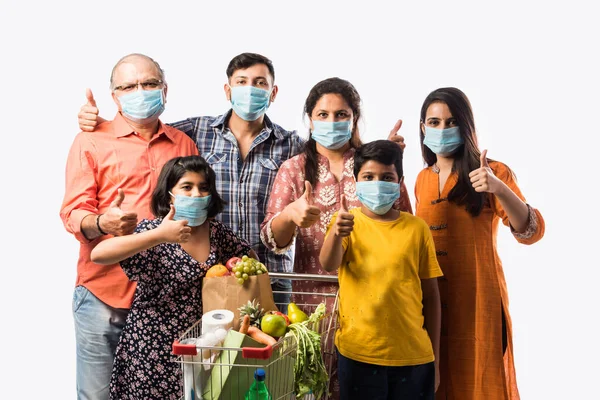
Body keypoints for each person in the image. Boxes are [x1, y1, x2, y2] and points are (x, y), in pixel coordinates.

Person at [78, 52, 303, 306]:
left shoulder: (291, 144)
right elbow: (144, 131)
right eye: (241, 82)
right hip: (212, 279)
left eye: (260, 83)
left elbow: (328, 159)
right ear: (228, 91)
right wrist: (104, 125)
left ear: (273, 93)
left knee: (276, 343)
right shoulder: (197, 131)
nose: (250, 90)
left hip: (270, 275)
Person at [60, 53, 199, 399]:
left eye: (149, 83)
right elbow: (73, 212)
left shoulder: (183, 144)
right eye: (129, 86)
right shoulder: (91, 140)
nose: (140, 91)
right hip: (102, 297)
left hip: (164, 300)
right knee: (98, 395)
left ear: (165, 89)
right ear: (114, 96)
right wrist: (100, 221)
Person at [414, 87, 545, 400]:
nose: (442, 129)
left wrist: (498, 187)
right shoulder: (421, 178)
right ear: (423, 129)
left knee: (479, 383)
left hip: (477, 304)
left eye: (451, 122)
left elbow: (531, 230)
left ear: (466, 126)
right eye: (434, 122)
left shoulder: (492, 172)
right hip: (429, 305)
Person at [91, 155, 255, 399]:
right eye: (186, 187)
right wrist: (160, 235)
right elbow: (99, 254)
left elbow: (249, 258)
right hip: (152, 348)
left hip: (202, 346)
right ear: (169, 194)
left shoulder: (216, 232)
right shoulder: (152, 230)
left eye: (203, 187)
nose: (197, 194)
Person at [260, 77, 412, 301]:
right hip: (314, 302)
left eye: (341, 114)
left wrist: (389, 158)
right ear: (310, 120)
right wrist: (290, 214)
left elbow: (405, 222)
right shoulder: (294, 169)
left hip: (376, 299)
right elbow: (272, 241)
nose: (332, 121)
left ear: (354, 119)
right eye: (323, 115)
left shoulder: (374, 167)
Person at [320, 140, 442, 400]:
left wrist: (436, 359)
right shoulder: (345, 223)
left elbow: (431, 296)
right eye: (369, 177)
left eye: (387, 177)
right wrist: (336, 233)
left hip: (414, 357)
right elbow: (328, 264)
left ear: (400, 182)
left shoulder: (417, 228)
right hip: (358, 354)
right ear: (356, 181)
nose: (377, 183)